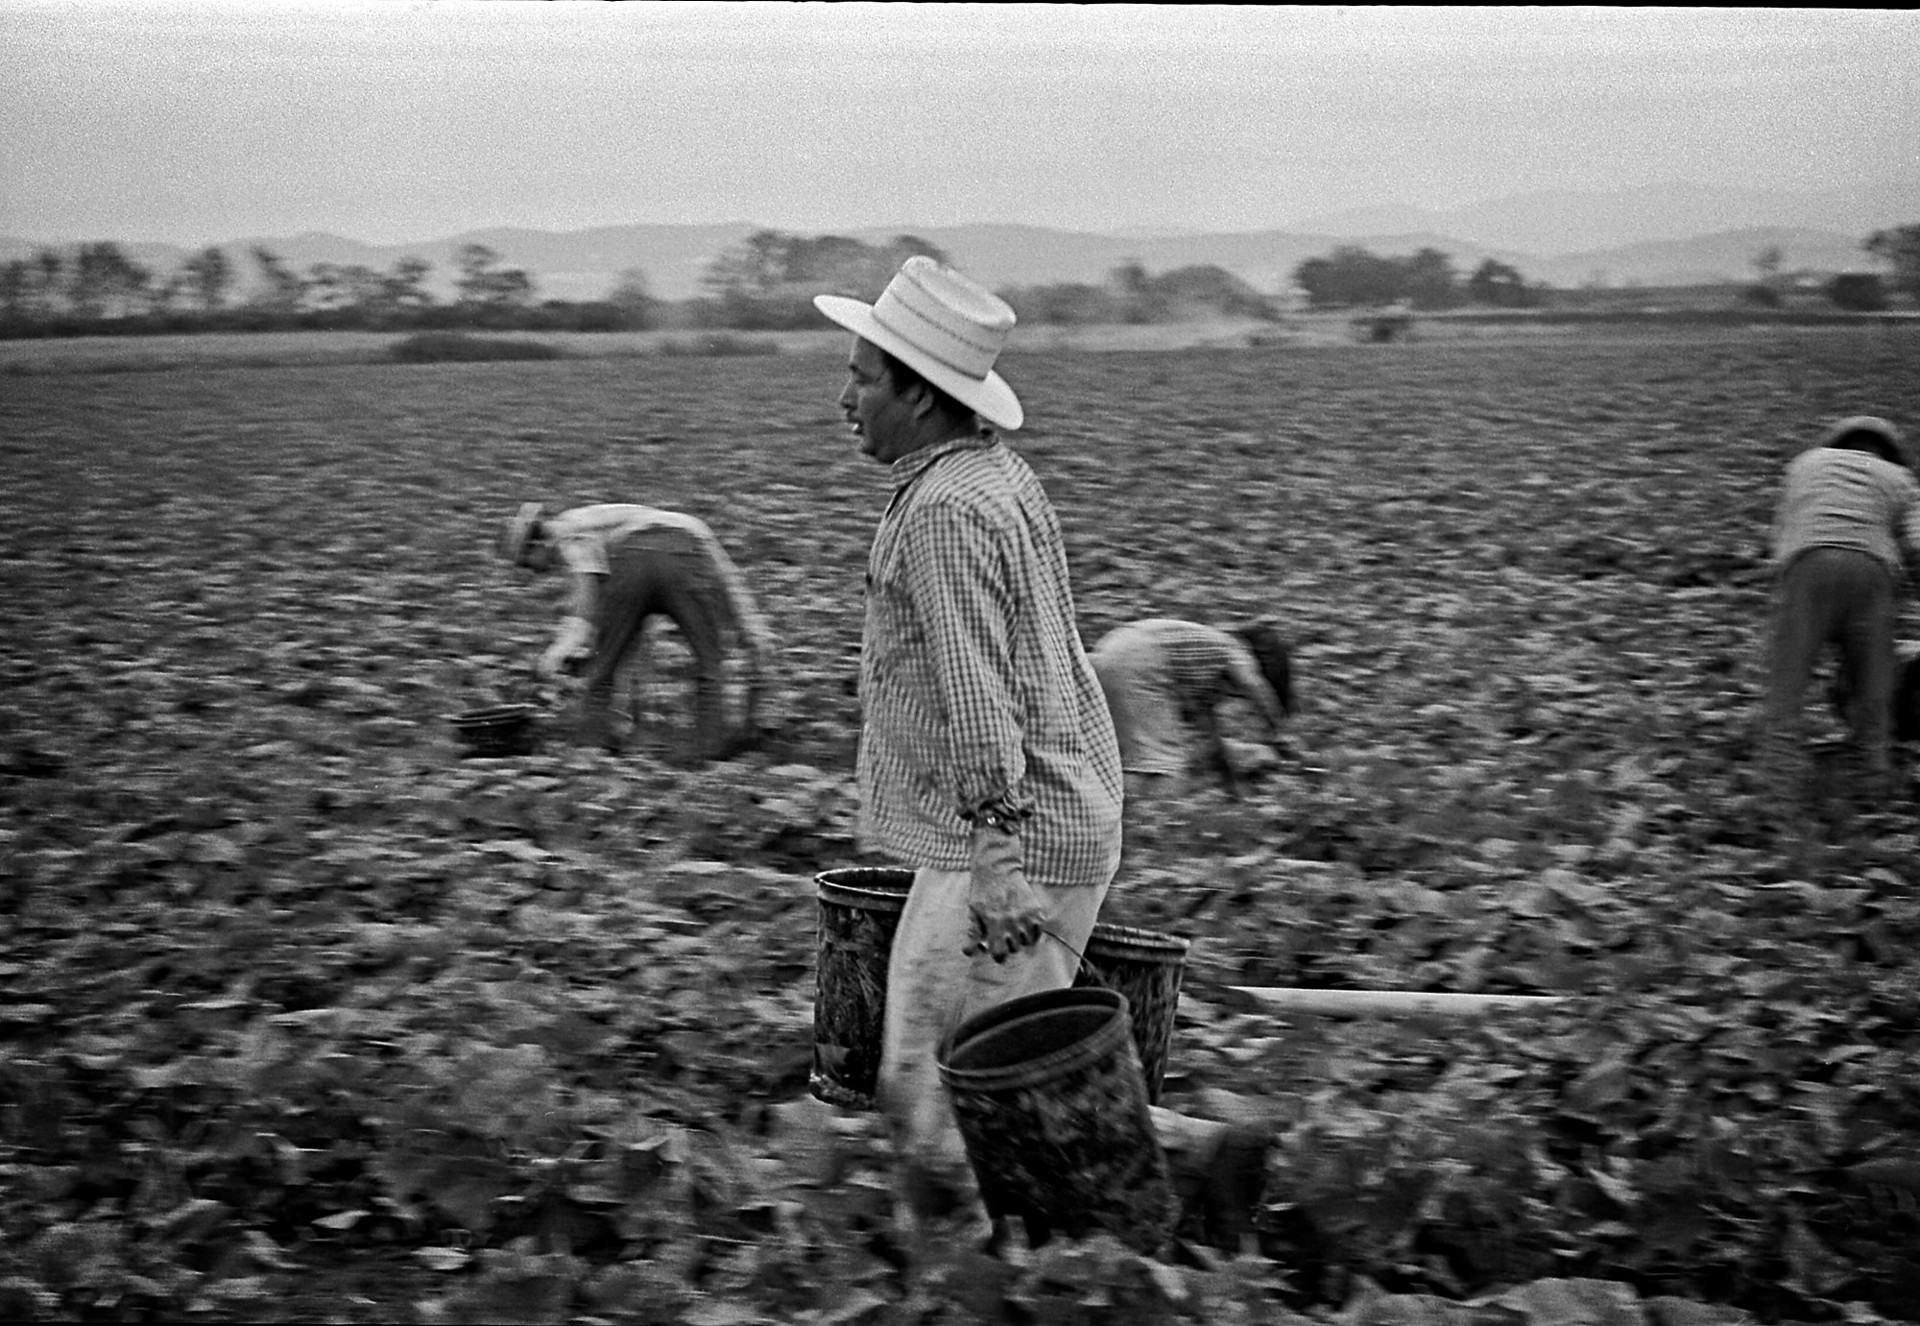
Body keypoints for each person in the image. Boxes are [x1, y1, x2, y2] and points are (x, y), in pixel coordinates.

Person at [814, 256, 1267, 1252]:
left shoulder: (944, 512)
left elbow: (981, 698)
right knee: (952, 1084)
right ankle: (1154, 1180)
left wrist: (999, 864)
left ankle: (1088, 1230)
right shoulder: (987, 478)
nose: (844, 396)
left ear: (922, 397)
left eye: (862, 377)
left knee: (927, 1099)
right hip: (1029, 824)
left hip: (1015, 840)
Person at [499, 501, 773, 760]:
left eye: (526, 563)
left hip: (633, 558)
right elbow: (729, 581)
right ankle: (712, 756)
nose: (532, 572)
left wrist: (554, 656)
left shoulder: (567, 533)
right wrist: (754, 633)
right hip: (688, 552)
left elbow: (584, 611)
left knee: (603, 670)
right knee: (711, 665)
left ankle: (591, 754)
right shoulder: (605, 523)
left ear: (537, 544)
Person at [1763, 415, 1920, 801]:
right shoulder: (1899, 478)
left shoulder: (1805, 463)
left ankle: (1776, 788)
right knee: (1872, 687)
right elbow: (1917, 544)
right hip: (1871, 571)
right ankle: (1871, 782)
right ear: (1888, 452)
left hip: (1806, 565)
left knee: (1787, 687)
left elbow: (1780, 532)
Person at [1089, 618, 1295, 798]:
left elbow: (1213, 742)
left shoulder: (1200, 671)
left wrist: (1235, 789)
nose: (1236, 695)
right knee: (1163, 767)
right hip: (1142, 662)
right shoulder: (1233, 648)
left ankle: (1114, 806)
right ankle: (1149, 823)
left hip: (1109, 650)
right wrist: (1278, 732)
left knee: (1133, 757)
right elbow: (1255, 685)